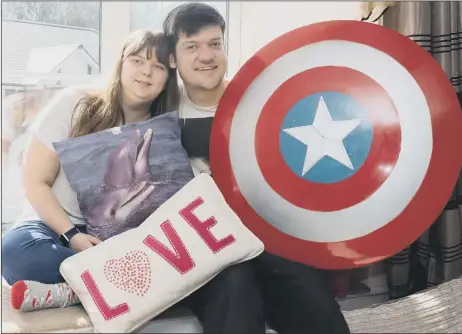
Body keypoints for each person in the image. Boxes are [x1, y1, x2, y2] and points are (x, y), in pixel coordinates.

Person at [163, 3, 351, 334]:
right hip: (206, 247)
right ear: (173, 58)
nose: (206, 56)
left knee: (312, 298)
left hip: (268, 237)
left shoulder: (261, 100)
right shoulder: (164, 111)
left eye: (215, 44)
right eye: (192, 46)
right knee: (235, 289)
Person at [1, 29, 180, 312]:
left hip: (118, 242)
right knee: (15, 253)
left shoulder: (165, 130)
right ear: (120, 62)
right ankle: (112, 286)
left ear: (168, 78)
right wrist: (72, 237)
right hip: (54, 227)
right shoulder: (74, 103)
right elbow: (35, 181)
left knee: (176, 265)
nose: (146, 72)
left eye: (157, 66)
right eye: (137, 60)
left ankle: (72, 291)